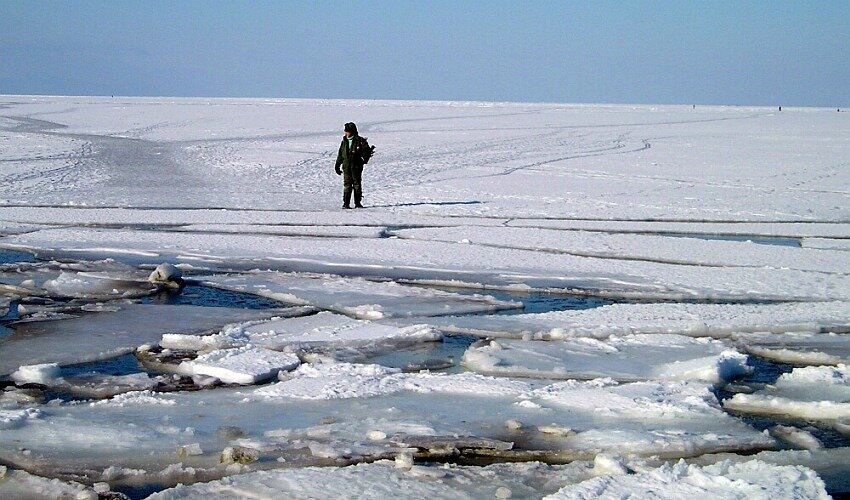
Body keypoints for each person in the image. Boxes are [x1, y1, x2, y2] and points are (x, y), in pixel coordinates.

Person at [334, 122, 367, 209]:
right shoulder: (344, 141)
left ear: (352, 132)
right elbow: (341, 154)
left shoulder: (360, 141)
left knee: (357, 184)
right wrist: (337, 164)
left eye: (347, 131)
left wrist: (363, 159)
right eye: (345, 131)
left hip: (356, 167)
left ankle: (358, 203)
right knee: (347, 184)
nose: (346, 133)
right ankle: (346, 203)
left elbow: (366, 153)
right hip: (346, 166)